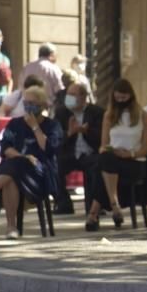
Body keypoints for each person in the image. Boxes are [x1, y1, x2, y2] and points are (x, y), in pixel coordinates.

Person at [0, 86, 62, 238]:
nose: (29, 106)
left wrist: (35, 127)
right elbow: (5, 148)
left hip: (40, 174)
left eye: (33, 103)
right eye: (26, 102)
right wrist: (24, 158)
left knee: (13, 166)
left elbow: (49, 149)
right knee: (14, 169)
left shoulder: (52, 126)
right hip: (16, 170)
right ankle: (11, 228)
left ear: (43, 105)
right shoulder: (15, 124)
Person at [88, 78, 147, 230]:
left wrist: (129, 154)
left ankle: (94, 213)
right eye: (117, 98)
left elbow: (145, 149)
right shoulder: (109, 116)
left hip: (134, 162)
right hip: (112, 159)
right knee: (105, 159)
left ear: (130, 96)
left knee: (100, 170)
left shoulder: (145, 116)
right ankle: (114, 204)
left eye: (124, 98)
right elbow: (103, 145)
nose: (121, 101)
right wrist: (109, 150)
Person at [54, 81, 104, 217]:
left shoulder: (97, 112)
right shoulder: (61, 113)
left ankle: (93, 206)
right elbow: (56, 139)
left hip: (90, 153)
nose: (68, 97)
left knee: (96, 166)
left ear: (83, 97)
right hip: (70, 154)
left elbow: (102, 138)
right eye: (68, 94)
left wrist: (86, 131)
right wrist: (69, 133)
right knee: (53, 165)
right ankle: (64, 204)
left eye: (73, 94)